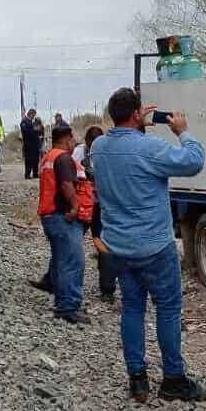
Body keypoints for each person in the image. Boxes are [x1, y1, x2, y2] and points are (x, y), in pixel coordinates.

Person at [88, 87, 206, 402]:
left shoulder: (98, 147)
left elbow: (120, 144)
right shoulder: (150, 148)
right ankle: (173, 379)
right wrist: (182, 132)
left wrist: (134, 123)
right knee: (167, 310)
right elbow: (194, 161)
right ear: (135, 113)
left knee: (132, 308)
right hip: (154, 247)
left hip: (119, 248)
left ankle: (138, 380)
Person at [37, 123, 88, 324]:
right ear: (67, 138)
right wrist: (75, 207)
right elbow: (67, 184)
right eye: (72, 139)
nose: (73, 142)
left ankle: (62, 302)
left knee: (61, 260)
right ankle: (68, 306)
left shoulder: (47, 157)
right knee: (73, 261)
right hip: (61, 216)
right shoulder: (63, 158)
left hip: (49, 214)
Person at [75, 126, 117, 302]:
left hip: (92, 205)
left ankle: (107, 289)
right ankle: (107, 290)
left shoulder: (81, 152)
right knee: (103, 245)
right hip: (92, 205)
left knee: (73, 242)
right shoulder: (106, 151)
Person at [20, 108, 45, 179]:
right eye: (33, 115)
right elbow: (26, 132)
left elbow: (39, 132)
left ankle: (35, 173)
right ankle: (27, 174)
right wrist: (34, 130)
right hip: (28, 145)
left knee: (36, 160)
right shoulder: (24, 122)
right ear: (30, 114)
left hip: (35, 145)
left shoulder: (32, 122)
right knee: (29, 160)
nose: (33, 117)